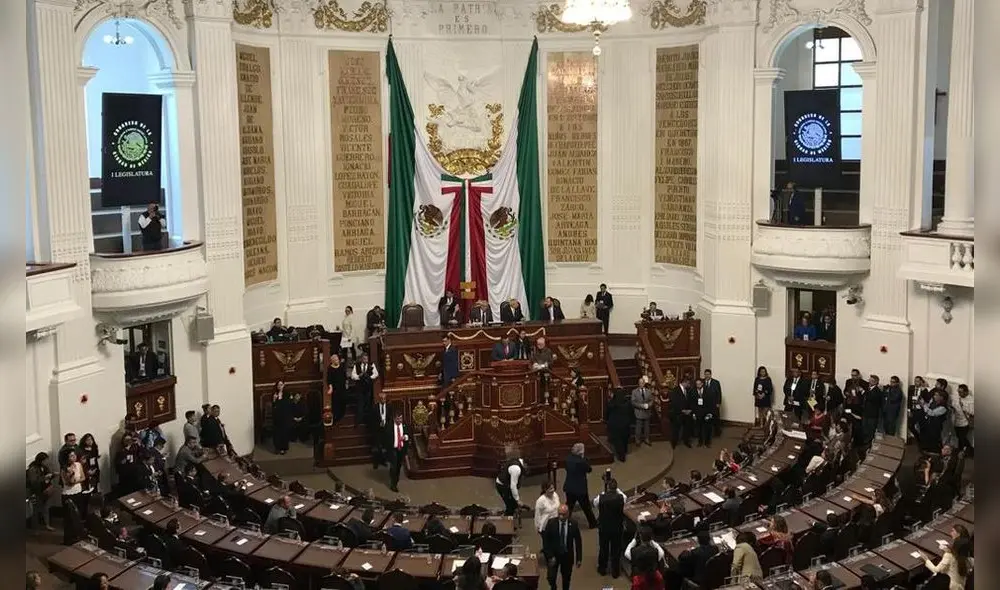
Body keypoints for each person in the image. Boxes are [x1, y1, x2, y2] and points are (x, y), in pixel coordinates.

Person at [541, 504, 582, 590]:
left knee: (566, 579)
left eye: (563, 514)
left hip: (567, 556)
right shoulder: (551, 523)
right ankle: (553, 587)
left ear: (568, 514)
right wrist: (549, 556)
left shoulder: (573, 524)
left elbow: (578, 542)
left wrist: (579, 558)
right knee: (551, 577)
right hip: (553, 555)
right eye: (559, 514)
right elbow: (546, 541)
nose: (561, 516)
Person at [562, 443, 598, 528]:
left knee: (569, 506)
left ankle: (564, 521)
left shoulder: (568, 458)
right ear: (581, 452)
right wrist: (584, 458)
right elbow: (589, 469)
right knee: (586, 507)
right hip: (580, 489)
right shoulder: (582, 461)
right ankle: (593, 523)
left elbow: (566, 468)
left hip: (570, 487)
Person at [26, 452, 56, 530]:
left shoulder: (44, 467)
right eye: (45, 460)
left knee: (46, 508)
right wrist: (45, 477)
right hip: (35, 491)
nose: (47, 462)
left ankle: (47, 524)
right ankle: (35, 528)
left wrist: (52, 475)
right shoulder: (33, 468)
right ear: (41, 460)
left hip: (45, 490)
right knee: (35, 511)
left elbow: (48, 475)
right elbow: (33, 481)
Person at [352, 352, 378, 428]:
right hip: (360, 388)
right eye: (363, 358)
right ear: (361, 359)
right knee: (360, 404)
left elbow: (376, 374)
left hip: (368, 387)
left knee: (368, 404)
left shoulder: (371, 364)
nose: (365, 360)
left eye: (366, 358)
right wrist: (359, 376)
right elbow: (353, 375)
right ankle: (358, 421)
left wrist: (370, 377)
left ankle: (368, 421)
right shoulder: (357, 365)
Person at [606, 388, 632, 461]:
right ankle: (625, 450)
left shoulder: (611, 403)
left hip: (615, 424)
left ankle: (621, 456)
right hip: (625, 424)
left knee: (617, 440)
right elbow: (631, 412)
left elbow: (607, 413)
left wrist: (608, 421)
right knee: (624, 438)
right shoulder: (627, 403)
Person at [386, 413, 409, 493]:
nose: (400, 420)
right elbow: (387, 439)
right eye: (398, 419)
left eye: (401, 418)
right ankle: (393, 484)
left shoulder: (404, 426)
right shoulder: (389, 427)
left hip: (401, 450)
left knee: (398, 466)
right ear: (394, 419)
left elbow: (408, 435)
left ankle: (395, 478)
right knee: (394, 465)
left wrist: (405, 437)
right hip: (393, 450)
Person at [61, 449, 87, 516]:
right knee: (71, 515)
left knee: (79, 512)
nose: (74, 457)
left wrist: (76, 481)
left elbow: (83, 477)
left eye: (74, 455)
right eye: (71, 456)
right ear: (67, 458)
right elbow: (70, 483)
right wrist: (72, 474)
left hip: (78, 491)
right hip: (69, 494)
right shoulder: (64, 469)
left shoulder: (78, 464)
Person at [371, 392, 393, 469]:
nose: (383, 400)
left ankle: (386, 460)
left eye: (384, 399)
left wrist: (387, 425)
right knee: (378, 446)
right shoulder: (375, 407)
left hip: (386, 429)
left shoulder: (389, 407)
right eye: (382, 399)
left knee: (387, 445)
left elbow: (390, 418)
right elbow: (372, 420)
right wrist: (378, 424)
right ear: (379, 399)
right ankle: (377, 462)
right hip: (378, 429)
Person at [690, 378, 713, 447]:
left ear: (702, 384)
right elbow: (692, 404)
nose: (698, 385)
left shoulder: (708, 391)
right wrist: (693, 413)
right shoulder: (693, 391)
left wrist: (710, 413)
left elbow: (710, 403)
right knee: (699, 428)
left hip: (706, 412)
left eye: (699, 384)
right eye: (697, 384)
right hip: (698, 413)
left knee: (708, 428)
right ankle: (700, 442)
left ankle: (707, 442)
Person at [951, 384, 974, 456]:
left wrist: (963, 406)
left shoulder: (971, 400)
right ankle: (961, 452)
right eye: (958, 391)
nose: (959, 393)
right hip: (957, 421)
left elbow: (972, 412)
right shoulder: (957, 397)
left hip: (965, 422)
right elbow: (954, 405)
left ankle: (971, 452)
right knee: (959, 438)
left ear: (966, 392)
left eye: (961, 392)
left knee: (962, 438)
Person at [631, 376, 654, 447]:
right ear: (638, 384)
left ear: (644, 383)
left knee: (647, 427)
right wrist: (642, 406)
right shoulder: (634, 392)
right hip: (639, 412)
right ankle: (637, 440)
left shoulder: (649, 391)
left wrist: (648, 405)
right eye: (640, 383)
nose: (641, 384)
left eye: (643, 383)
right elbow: (633, 402)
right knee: (638, 427)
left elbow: (651, 400)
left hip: (647, 411)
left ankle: (647, 439)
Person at [326, 353, 349, 424]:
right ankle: (336, 418)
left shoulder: (341, 366)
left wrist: (346, 383)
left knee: (343, 401)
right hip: (335, 389)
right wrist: (330, 388)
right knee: (336, 403)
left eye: (337, 359)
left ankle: (342, 414)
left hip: (342, 388)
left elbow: (345, 376)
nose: (337, 361)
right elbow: (329, 380)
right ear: (332, 361)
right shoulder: (330, 369)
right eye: (335, 360)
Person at [271, 380, 292, 455]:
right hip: (277, 416)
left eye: (281, 385)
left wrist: (280, 400)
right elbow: (274, 406)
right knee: (277, 433)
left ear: (283, 385)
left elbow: (288, 404)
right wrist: (274, 399)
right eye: (278, 385)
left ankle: (283, 448)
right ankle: (277, 448)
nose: (280, 386)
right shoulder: (274, 394)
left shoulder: (287, 394)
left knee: (284, 432)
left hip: (285, 416)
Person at [668, 377, 689, 448]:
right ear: (684, 382)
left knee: (686, 428)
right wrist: (682, 410)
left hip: (686, 413)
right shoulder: (675, 390)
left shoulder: (687, 390)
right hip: (677, 413)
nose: (688, 384)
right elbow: (674, 402)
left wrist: (688, 410)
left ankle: (686, 441)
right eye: (688, 383)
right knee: (676, 429)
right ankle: (674, 443)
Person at [79, 433, 101, 498]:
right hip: (87, 471)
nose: (90, 441)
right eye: (88, 440)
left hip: (95, 469)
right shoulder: (82, 450)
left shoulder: (94, 448)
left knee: (95, 487)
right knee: (88, 488)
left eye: (91, 439)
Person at [703, 369, 723, 436]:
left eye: (708, 374)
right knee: (706, 418)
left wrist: (718, 403)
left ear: (710, 375)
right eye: (705, 374)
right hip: (705, 404)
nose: (707, 376)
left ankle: (717, 432)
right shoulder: (702, 382)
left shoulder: (716, 382)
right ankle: (706, 432)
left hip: (714, 403)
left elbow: (719, 393)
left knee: (715, 418)